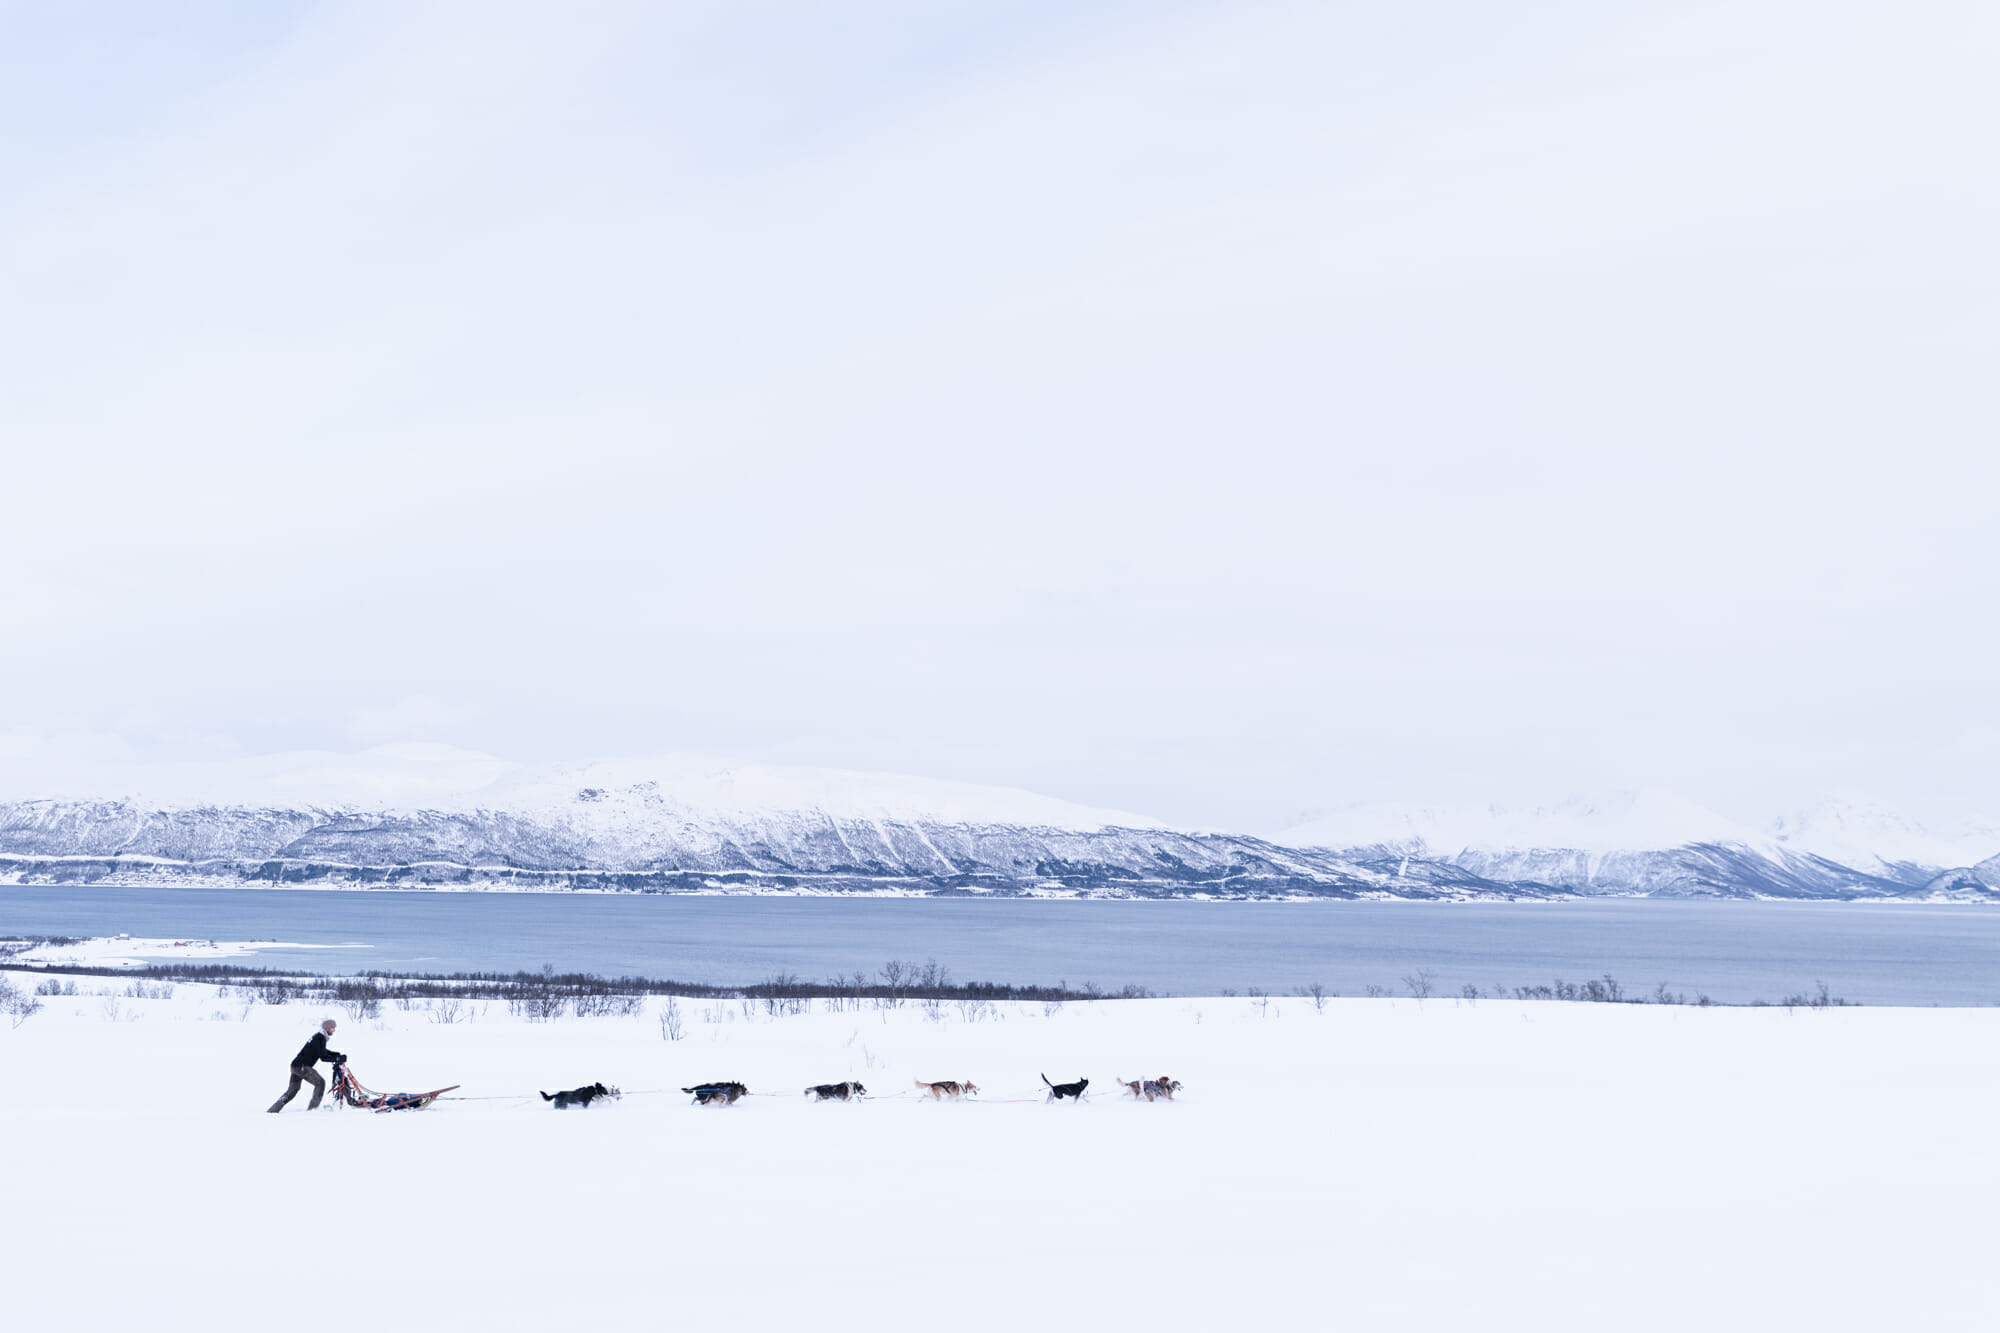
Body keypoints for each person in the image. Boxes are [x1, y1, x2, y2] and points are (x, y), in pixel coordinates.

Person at [267, 1018, 346, 1112]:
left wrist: (336, 1054)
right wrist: (337, 1058)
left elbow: (323, 1052)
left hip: (296, 1066)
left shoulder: (319, 1037)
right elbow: (323, 1057)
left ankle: (273, 1110)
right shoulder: (319, 1038)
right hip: (302, 1067)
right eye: (333, 1028)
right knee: (320, 1083)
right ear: (327, 1028)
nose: (334, 1030)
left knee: (293, 1090)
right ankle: (313, 1110)